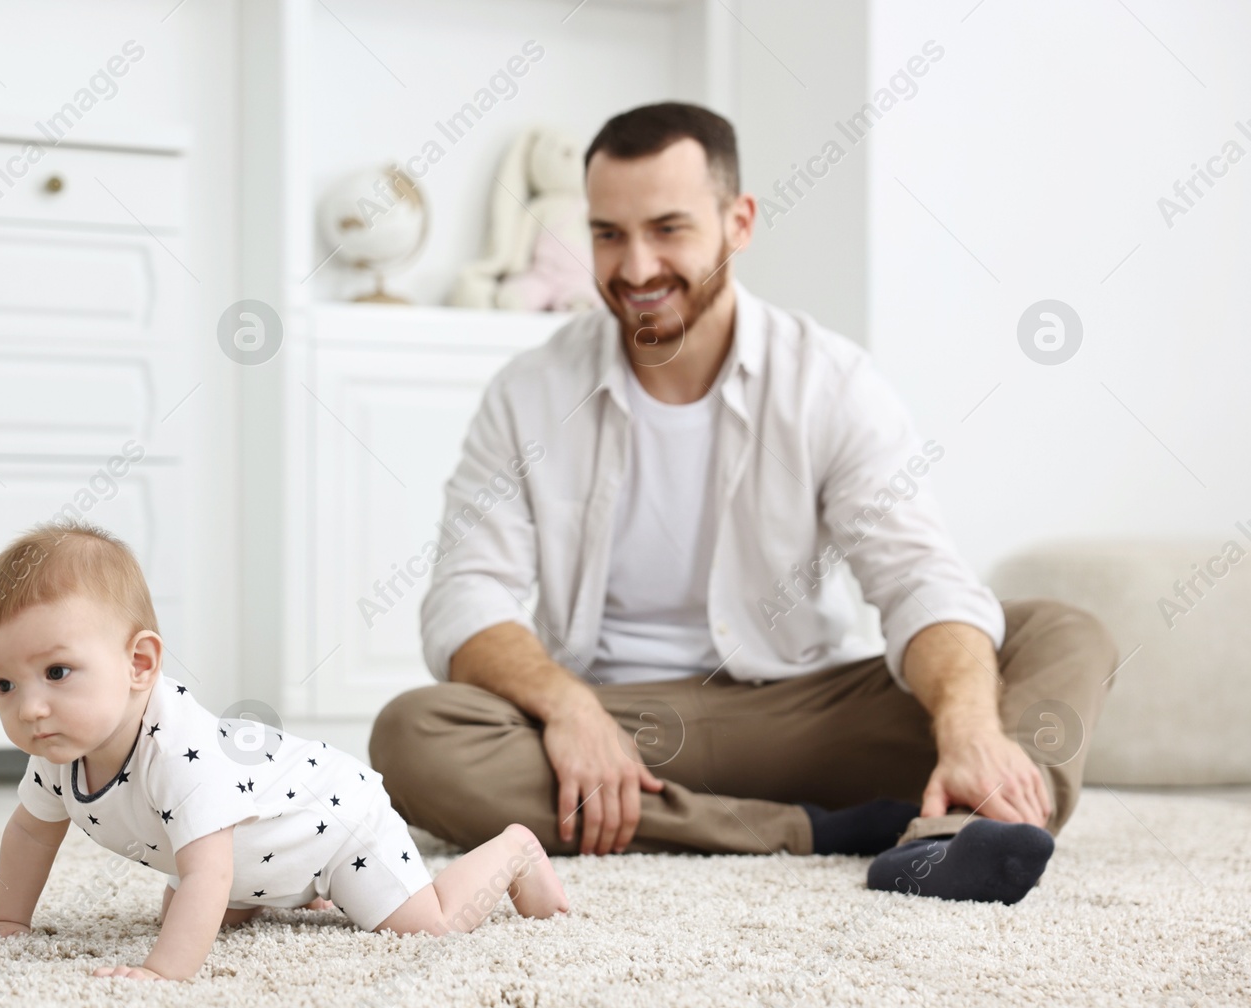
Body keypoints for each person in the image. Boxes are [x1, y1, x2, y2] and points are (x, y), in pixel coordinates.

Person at [369, 102, 1118, 906]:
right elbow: (465, 595)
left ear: (739, 222)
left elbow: (919, 578)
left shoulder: (829, 381)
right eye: (608, 234)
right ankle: (818, 829)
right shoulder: (529, 393)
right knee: (414, 736)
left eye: (668, 229)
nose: (635, 267)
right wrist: (568, 707)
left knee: (1061, 633)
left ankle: (969, 821)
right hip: (619, 725)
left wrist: (968, 727)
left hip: (805, 713)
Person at [0, 521, 568, 981]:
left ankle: (514, 850)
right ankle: (271, 892)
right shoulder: (58, 750)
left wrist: (161, 973)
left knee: (423, 928)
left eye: (58, 672)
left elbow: (209, 871)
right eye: (3, 685)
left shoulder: (175, 753)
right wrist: (9, 923)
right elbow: (31, 835)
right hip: (258, 849)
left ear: (140, 663)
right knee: (200, 902)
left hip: (336, 821)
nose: (29, 708)